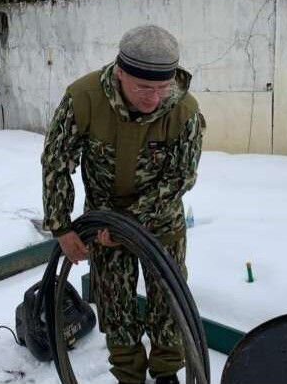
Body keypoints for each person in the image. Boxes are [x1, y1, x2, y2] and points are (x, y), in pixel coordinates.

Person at [41, 25, 206, 384]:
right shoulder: (83, 98)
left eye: (162, 88)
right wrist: (62, 226)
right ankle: (129, 375)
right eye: (143, 87)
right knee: (116, 305)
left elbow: (180, 178)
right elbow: (57, 161)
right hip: (101, 227)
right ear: (120, 72)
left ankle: (166, 374)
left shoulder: (185, 111)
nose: (153, 98)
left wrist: (127, 223)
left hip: (161, 225)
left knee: (169, 304)